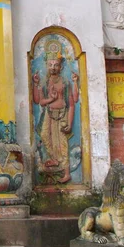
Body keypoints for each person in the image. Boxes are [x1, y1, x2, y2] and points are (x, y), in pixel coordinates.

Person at [32, 48, 78, 184]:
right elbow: (39, 101)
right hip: (48, 113)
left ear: (61, 66)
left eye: (56, 65)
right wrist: (37, 86)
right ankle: (54, 158)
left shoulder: (65, 83)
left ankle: (67, 172)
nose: (53, 68)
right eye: (50, 65)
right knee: (45, 135)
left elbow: (72, 103)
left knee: (62, 142)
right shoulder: (45, 83)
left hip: (62, 113)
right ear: (46, 65)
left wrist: (69, 123)